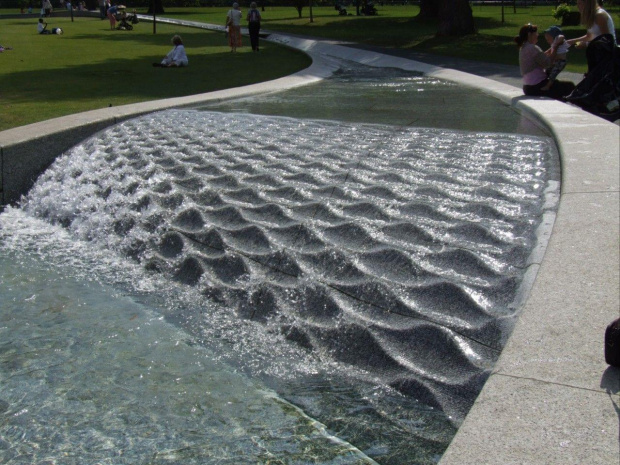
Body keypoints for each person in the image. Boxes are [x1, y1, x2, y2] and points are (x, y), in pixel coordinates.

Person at [514, 23, 575, 99]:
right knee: (569, 86)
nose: (538, 35)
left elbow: (542, 60)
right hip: (537, 86)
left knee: (559, 84)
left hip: (528, 87)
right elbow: (548, 63)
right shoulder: (533, 48)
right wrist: (556, 46)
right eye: (536, 33)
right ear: (530, 34)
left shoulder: (523, 48)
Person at [566, 0, 616, 73]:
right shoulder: (592, 16)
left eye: (580, 3)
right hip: (597, 54)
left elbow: (607, 41)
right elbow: (589, 36)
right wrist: (570, 42)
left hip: (607, 57)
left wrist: (586, 44)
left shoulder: (600, 15)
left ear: (587, 3)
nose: (577, 6)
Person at [541, 26, 570, 91]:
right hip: (556, 60)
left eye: (548, 39)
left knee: (553, 73)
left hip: (561, 61)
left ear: (554, 36)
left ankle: (548, 86)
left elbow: (562, 36)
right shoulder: (553, 43)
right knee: (548, 70)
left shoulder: (558, 40)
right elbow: (551, 48)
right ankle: (546, 82)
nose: (548, 41)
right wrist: (546, 52)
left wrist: (557, 42)